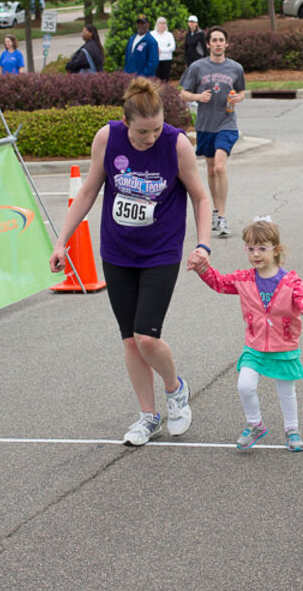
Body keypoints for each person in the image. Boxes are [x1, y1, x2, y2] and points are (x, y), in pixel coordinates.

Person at [49, 77, 212, 447]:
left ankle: (175, 389)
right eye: (141, 132)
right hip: (117, 252)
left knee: (147, 338)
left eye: (156, 129)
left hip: (161, 253)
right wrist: (62, 241)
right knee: (130, 342)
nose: (150, 138)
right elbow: (88, 191)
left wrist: (203, 245)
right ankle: (148, 416)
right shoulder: (107, 139)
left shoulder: (176, 144)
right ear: (126, 123)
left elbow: (201, 197)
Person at [190, 217, 303, 452]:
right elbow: (219, 283)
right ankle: (255, 424)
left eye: (261, 248)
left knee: (286, 391)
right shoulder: (243, 279)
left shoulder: (291, 282)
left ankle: (292, 430)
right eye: (250, 249)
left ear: (276, 250)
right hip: (255, 346)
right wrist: (202, 268)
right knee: (244, 386)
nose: (256, 254)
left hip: (284, 346)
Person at [179, 26, 246, 238]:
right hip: (205, 125)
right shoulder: (197, 67)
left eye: (221, 40)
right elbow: (183, 93)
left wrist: (238, 98)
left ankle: (222, 216)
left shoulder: (236, 68)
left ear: (227, 44)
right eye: (214, 40)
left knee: (219, 167)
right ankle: (216, 211)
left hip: (227, 123)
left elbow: (242, 91)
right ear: (208, 44)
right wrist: (198, 97)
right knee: (210, 169)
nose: (218, 44)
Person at [153, 16, 176, 82]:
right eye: (160, 23)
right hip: (155, 59)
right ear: (157, 24)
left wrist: (161, 50)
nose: (162, 25)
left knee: (165, 79)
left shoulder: (169, 35)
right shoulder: (152, 34)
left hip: (166, 60)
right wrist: (156, 50)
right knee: (156, 80)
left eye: (164, 23)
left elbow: (172, 47)